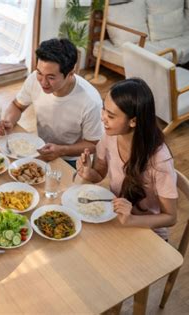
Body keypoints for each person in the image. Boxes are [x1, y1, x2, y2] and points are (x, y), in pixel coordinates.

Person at [76, 78, 178, 240]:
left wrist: (132, 219)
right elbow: (100, 174)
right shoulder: (110, 136)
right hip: (115, 216)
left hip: (148, 232)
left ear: (133, 121)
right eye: (104, 109)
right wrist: (89, 173)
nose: (103, 118)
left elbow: (171, 217)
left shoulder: (160, 161)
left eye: (110, 115)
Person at [0, 38, 103, 167]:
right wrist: (9, 121)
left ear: (70, 74)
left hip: (74, 160)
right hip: (41, 149)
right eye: (40, 73)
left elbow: (93, 144)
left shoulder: (90, 101)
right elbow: (17, 106)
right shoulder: (34, 80)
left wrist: (62, 150)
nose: (43, 82)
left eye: (51, 77)